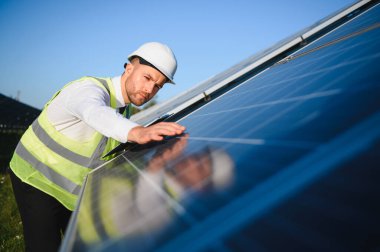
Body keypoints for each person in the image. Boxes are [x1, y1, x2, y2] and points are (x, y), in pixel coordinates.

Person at [8, 42, 186, 252]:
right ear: (129, 68)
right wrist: (138, 132)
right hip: (36, 178)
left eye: (158, 85)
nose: (150, 90)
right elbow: (94, 112)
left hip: (70, 192)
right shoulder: (88, 90)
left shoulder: (124, 109)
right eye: (147, 78)